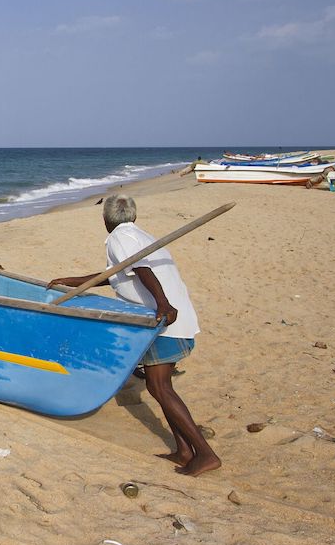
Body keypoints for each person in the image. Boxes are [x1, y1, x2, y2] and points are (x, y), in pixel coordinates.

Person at [48, 194, 221, 477]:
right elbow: (118, 274)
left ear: (106, 220)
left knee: (160, 388)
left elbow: (142, 269)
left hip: (162, 321)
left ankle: (205, 453)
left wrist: (163, 304)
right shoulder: (138, 236)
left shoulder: (120, 238)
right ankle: (184, 450)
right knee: (159, 387)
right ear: (134, 216)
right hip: (168, 319)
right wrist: (75, 281)